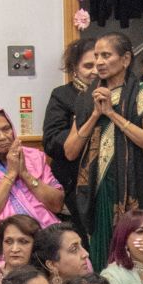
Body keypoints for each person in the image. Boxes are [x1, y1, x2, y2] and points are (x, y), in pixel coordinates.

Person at [66, 32, 143, 263]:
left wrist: (112, 114)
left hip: (133, 186)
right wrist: (95, 114)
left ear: (125, 60)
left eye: (106, 55)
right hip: (97, 189)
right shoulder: (87, 98)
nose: (100, 62)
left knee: (135, 251)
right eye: (97, 56)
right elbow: (70, 151)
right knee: (102, 251)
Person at [0, 106, 64, 256]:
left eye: (6, 129)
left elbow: (57, 204)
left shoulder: (34, 156)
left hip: (46, 230)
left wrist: (25, 174)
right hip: (2, 239)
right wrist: (10, 174)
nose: (3, 137)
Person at [40, 36, 99, 202]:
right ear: (75, 68)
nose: (95, 71)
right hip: (72, 179)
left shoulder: (114, 94)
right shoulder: (62, 95)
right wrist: (80, 129)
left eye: (98, 65)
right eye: (88, 66)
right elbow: (51, 141)